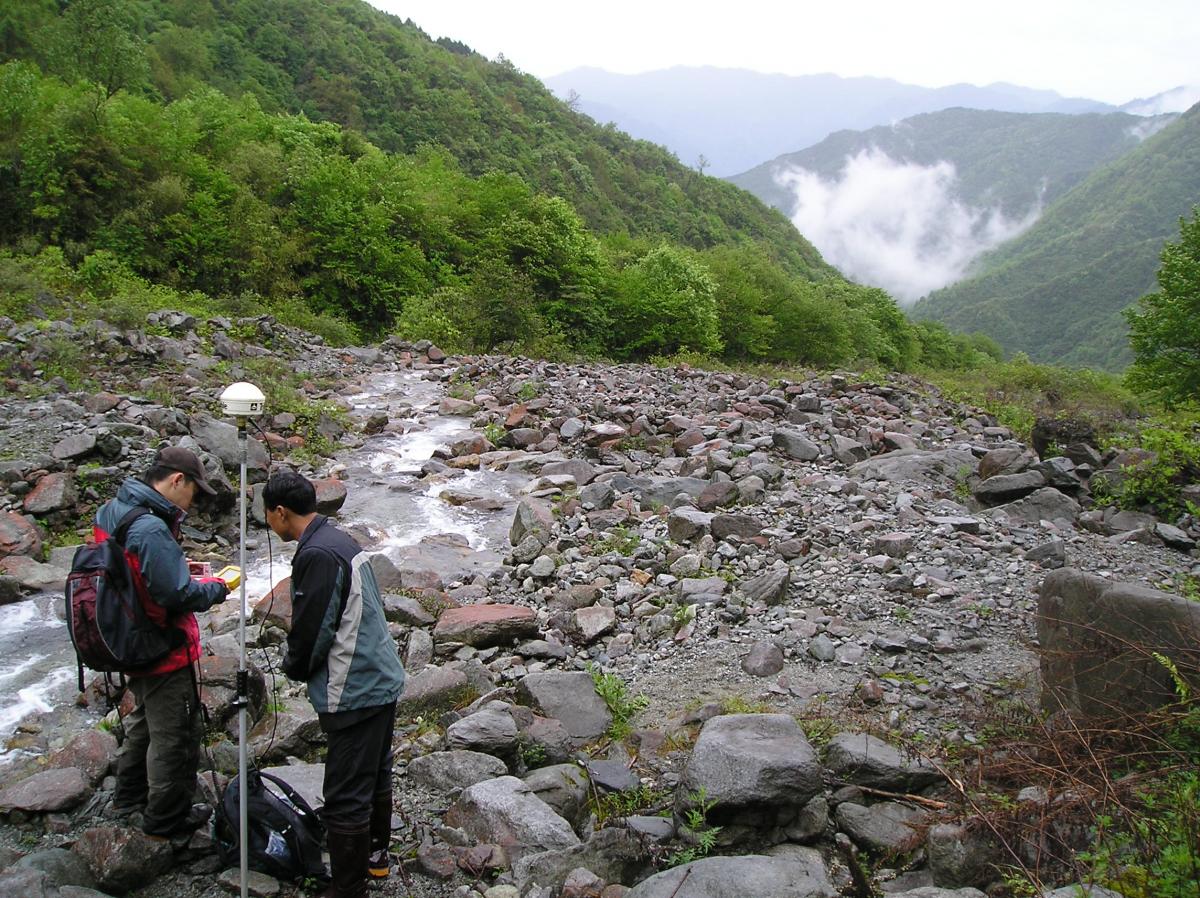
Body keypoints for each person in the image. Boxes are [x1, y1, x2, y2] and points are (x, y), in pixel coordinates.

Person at [262, 470, 405, 898]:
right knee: (374, 773)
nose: (268, 522)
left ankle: (347, 887)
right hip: (380, 676)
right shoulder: (339, 540)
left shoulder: (317, 555)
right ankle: (375, 857)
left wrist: (293, 666)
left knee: (345, 791)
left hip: (354, 686)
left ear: (281, 512)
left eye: (267, 514)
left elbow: (315, 629)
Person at [97, 446, 230, 838]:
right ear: (176, 480)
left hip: (124, 638)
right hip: (160, 645)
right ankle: (167, 821)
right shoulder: (151, 528)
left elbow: (130, 571)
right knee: (174, 733)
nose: (193, 503)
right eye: (193, 491)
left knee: (142, 719)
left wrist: (172, 567)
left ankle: (128, 796)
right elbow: (176, 595)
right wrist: (216, 588)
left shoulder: (114, 510)